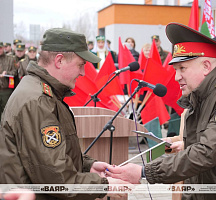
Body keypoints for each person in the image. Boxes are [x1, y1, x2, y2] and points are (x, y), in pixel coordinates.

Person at [106, 22, 216, 200]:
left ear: (206, 66)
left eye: (183, 68)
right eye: (175, 69)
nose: (177, 77)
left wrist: (144, 172)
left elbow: (206, 152)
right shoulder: (198, 99)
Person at [0, 28, 128, 200]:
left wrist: (88, 165)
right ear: (59, 61)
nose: (82, 73)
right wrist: (104, 185)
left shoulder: (43, 93)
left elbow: (52, 156)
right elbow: (57, 178)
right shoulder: (37, 101)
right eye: (80, 65)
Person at [0, 41, 17, 117]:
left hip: (6, 90)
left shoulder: (10, 59)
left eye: (0, 48)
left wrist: (6, 73)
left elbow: (15, 72)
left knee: (6, 111)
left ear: (3, 48)